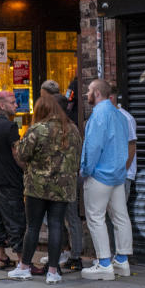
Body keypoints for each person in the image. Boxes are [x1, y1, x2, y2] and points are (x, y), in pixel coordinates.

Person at [12, 93, 80, 284]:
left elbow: (22, 154)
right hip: (64, 187)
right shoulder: (73, 129)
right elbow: (78, 156)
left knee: (33, 226)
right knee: (57, 225)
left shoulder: (37, 129)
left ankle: (24, 267)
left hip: (38, 187)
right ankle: (52, 271)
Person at [80, 79, 132, 280]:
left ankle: (103, 263)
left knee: (96, 218)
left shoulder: (98, 115)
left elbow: (93, 147)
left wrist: (85, 170)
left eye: (89, 91)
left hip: (99, 175)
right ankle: (122, 261)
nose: (87, 94)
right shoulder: (120, 116)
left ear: (98, 93)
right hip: (118, 175)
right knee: (120, 217)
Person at [42, 79, 85, 270]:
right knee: (72, 218)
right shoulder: (74, 128)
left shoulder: (48, 129)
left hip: (54, 180)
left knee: (55, 219)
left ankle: (59, 256)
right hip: (71, 177)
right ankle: (74, 255)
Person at [0, 90, 26, 270]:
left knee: (0, 218)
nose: (16, 105)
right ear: (2, 105)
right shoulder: (10, 127)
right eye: (12, 102)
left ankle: (1, 257)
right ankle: (22, 261)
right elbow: (16, 153)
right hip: (10, 179)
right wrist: (26, 167)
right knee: (16, 219)